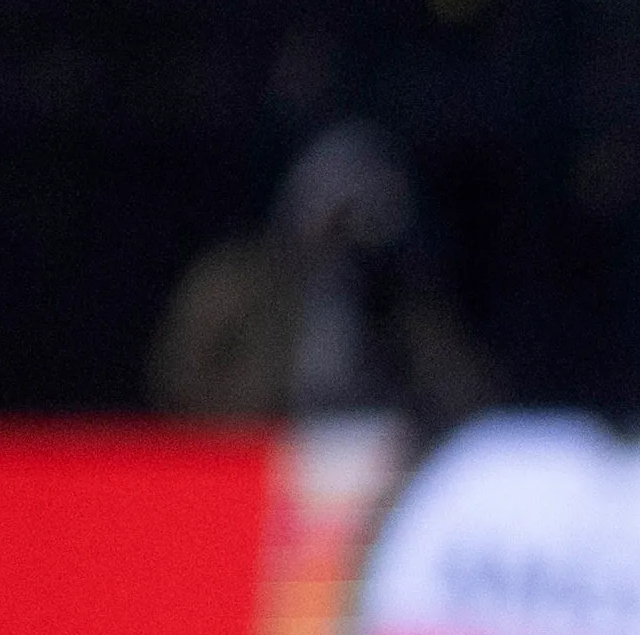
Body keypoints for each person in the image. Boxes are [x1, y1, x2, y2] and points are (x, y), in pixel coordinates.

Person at [148, 121, 491, 423]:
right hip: (251, 452)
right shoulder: (233, 281)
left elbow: (468, 397)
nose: (347, 233)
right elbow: (178, 382)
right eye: (337, 214)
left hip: (371, 461)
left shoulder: (400, 300)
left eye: (365, 217)